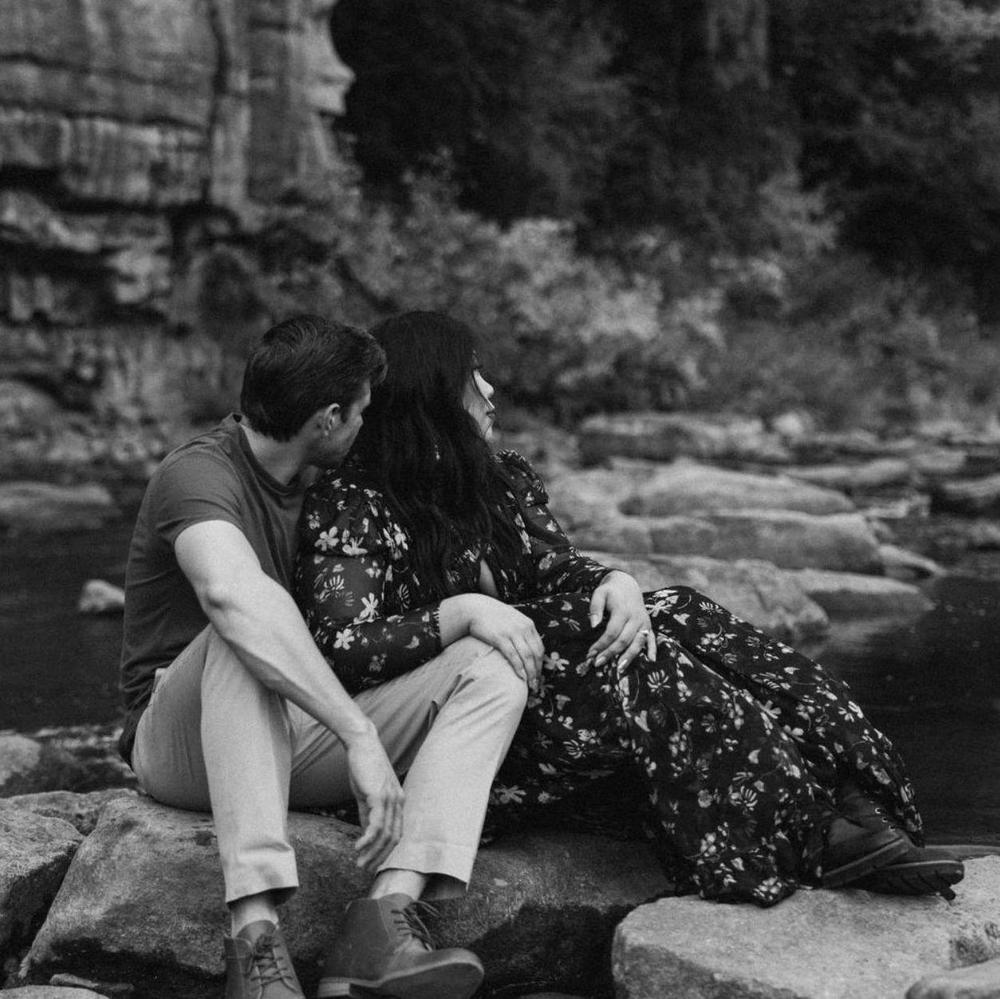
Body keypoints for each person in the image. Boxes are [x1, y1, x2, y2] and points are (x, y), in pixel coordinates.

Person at [294, 309, 964, 909]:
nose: (492, 392)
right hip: (446, 744)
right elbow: (345, 645)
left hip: (535, 709)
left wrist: (613, 579)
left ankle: (851, 794)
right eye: (475, 377)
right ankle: (819, 828)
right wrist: (463, 611)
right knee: (638, 663)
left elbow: (555, 571)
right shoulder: (356, 505)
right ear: (436, 393)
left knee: (668, 610)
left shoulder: (493, 486)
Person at [118, 315, 527, 999]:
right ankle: (254, 941)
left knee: (490, 663)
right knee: (241, 629)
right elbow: (232, 593)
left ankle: (382, 922)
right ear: (329, 418)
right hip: (180, 744)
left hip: (289, 735)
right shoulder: (198, 473)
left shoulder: (324, 480)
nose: (373, 425)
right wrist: (359, 733)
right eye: (364, 412)